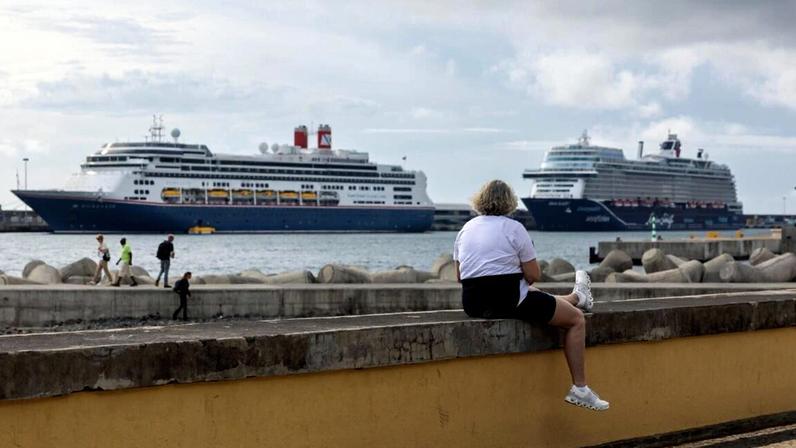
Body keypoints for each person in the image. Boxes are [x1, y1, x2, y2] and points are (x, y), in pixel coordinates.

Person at [453, 180, 609, 411]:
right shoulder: (514, 228)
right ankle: (580, 388)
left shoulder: (465, 229)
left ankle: (578, 297)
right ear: (510, 201)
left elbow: (459, 275)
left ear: (479, 200)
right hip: (508, 302)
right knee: (576, 320)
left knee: (532, 293)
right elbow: (533, 274)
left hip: (473, 304)